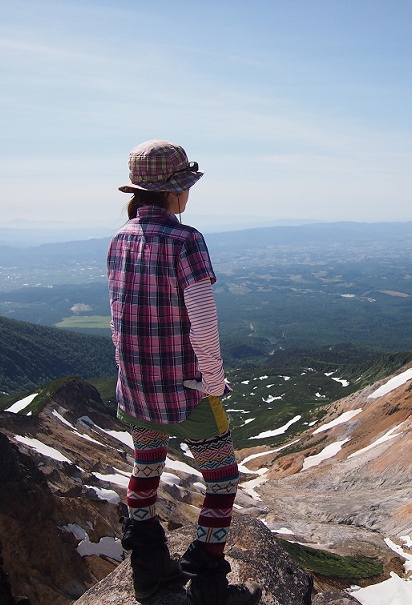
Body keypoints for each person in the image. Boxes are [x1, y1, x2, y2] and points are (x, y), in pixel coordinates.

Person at [107, 139, 261, 604]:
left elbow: (120, 313)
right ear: (176, 192)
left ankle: (149, 564)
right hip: (185, 388)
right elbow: (202, 318)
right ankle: (206, 574)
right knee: (222, 478)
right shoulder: (186, 239)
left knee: (146, 465)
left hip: (133, 388)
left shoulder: (119, 239)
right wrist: (212, 381)